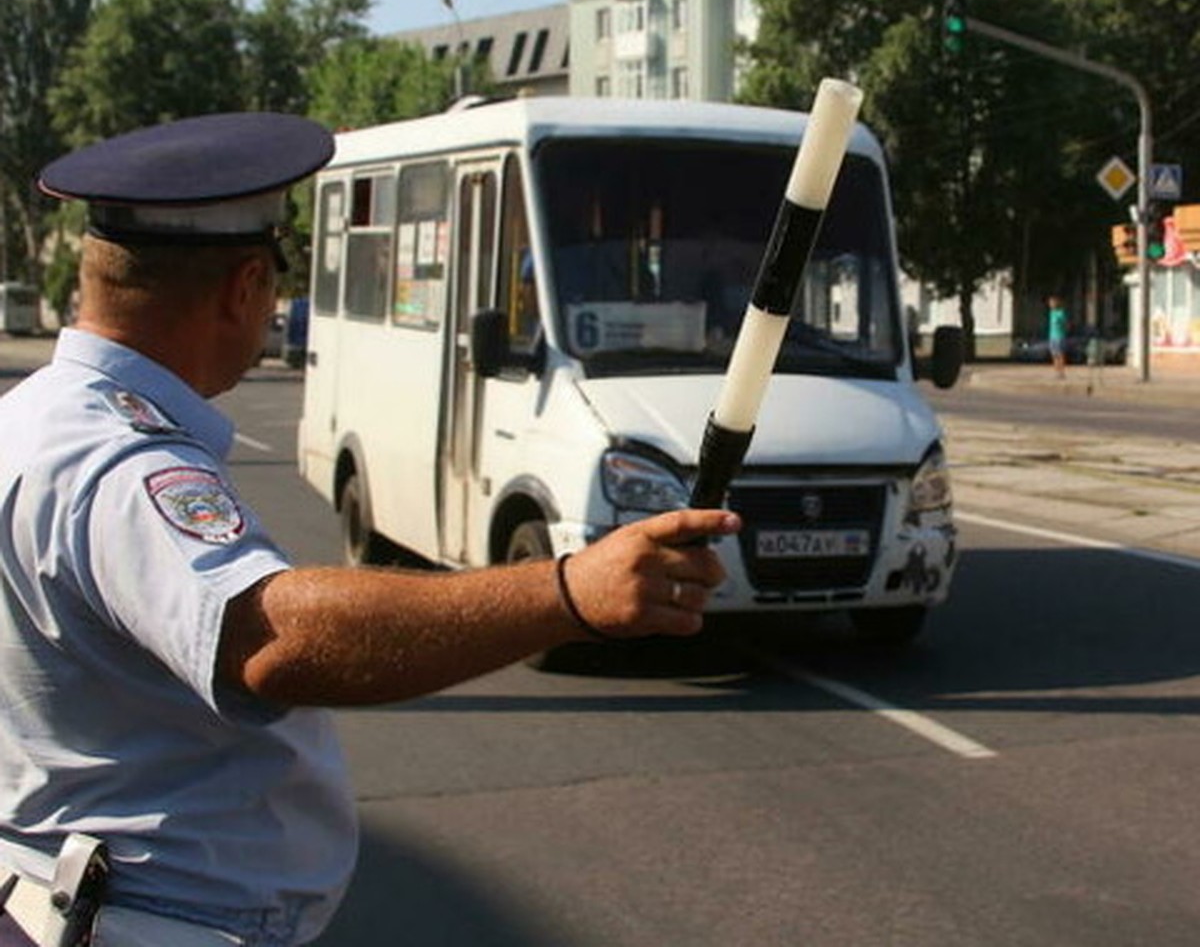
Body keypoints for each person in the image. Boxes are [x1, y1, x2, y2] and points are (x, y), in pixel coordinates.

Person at [0, 113, 732, 947]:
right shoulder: (123, 464)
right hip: (153, 923)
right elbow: (272, 636)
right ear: (244, 288)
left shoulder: (30, 420)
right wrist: (569, 591)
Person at [1047, 295, 1068, 379]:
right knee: (1054, 355)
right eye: (1050, 303)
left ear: (1056, 303)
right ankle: (1056, 372)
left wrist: (1063, 329)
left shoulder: (1061, 313)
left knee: (1060, 354)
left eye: (1052, 302)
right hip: (1052, 337)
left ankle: (1062, 372)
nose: (1051, 304)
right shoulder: (1051, 313)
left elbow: (1065, 324)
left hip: (1059, 336)